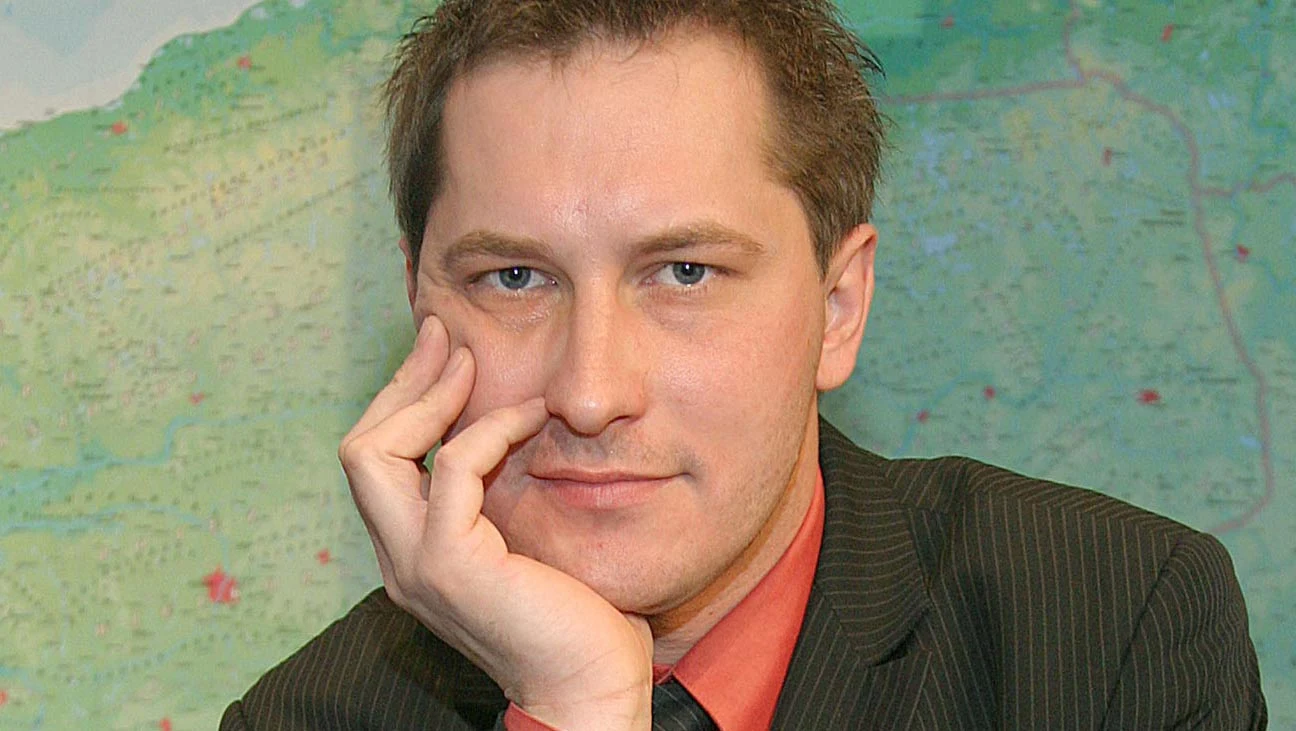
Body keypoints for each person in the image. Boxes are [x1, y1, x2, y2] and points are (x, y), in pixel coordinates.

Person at [221, 1, 1267, 728]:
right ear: (421, 302)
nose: (590, 391)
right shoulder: (303, 719)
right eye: (514, 278)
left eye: (685, 272)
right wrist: (581, 707)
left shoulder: (1115, 631)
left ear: (838, 307)